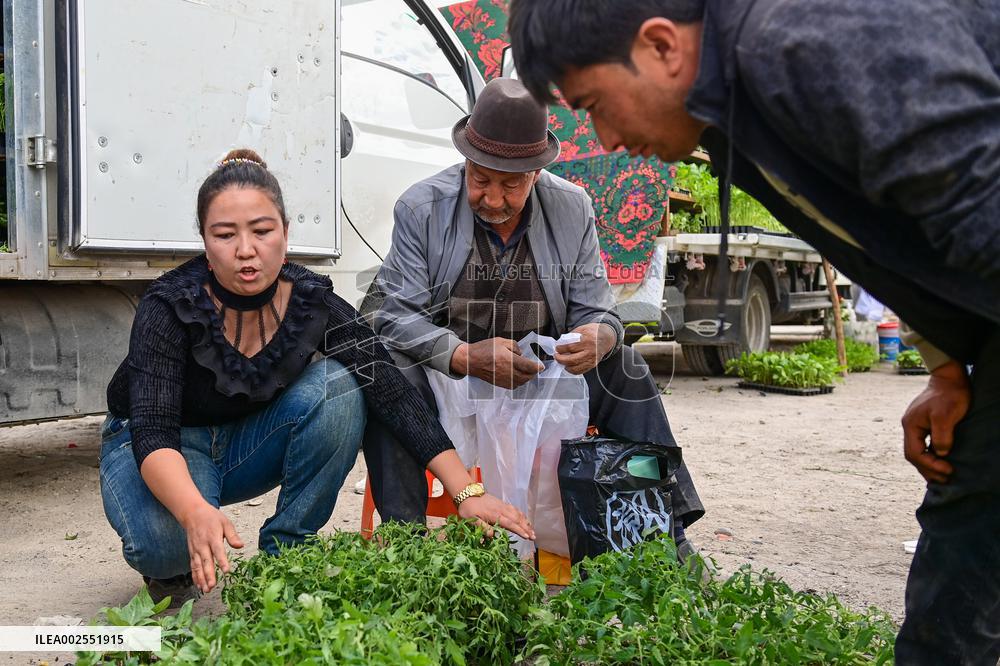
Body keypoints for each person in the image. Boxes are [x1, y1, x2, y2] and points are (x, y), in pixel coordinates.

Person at [507, 0, 1000, 663]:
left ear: (660, 47)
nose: (606, 140)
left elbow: (981, 200)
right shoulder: (727, 111)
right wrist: (945, 364)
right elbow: (892, 229)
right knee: (965, 527)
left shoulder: (808, 42)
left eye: (594, 103)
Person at [101, 149, 534, 605]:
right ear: (205, 243)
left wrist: (466, 491)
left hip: (244, 442)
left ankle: (285, 556)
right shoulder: (169, 306)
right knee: (166, 547)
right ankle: (169, 570)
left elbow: (391, 391)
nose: (246, 250)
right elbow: (153, 431)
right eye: (225, 235)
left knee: (342, 386)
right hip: (159, 446)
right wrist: (193, 512)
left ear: (285, 235)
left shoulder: (311, 299)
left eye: (262, 231)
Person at [362, 78, 704, 557]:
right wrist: (462, 356)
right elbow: (396, 317)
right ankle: (406, 547)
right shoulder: (421, 207)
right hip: (450, 375)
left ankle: (664, 539)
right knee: (387, 373)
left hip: (538, 374)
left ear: (537, 174)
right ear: (465, 162)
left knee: (627, 371)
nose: (494, 198)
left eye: (511, 184)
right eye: (481, 179)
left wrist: (600, 336)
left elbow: (599, 308)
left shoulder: (572, 206)